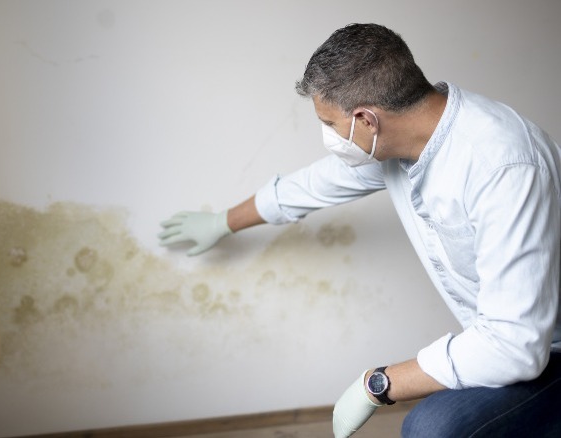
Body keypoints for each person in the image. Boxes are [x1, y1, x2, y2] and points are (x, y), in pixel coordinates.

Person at [158, 23, 561, 437]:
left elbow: (514, 346)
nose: (328, 136)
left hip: (541, 347)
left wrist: (379, 384)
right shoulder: (402, 145)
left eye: (329, 123)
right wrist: (222, 222)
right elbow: (312, 186)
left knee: (433, 427)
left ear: (366, 119)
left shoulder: (501, 165)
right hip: (518, 342)